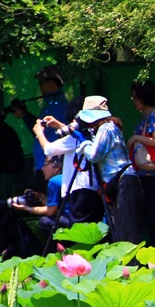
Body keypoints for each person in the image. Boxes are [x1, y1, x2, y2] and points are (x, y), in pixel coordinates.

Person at [74, 96, 144, 244]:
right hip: (119, 183)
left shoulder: (107, 128)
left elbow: (94, 155)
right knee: (120, 230)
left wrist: (84, 143)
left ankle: (133, 266)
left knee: (129, 233)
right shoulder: (103, 129)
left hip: (125, 181)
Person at [32, 97, 105, 234]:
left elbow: (49, 150)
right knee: (93, 232)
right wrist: (58, 125)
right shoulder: (94, 133)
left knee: (80, 234)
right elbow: (74, 133)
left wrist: (39, 132)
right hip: (95, 189)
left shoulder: (75, 138)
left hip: (80, 191)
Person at [10, 65, 68, 187]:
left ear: (52, 83)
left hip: (49, 166)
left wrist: (25, 115)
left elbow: (39, 130)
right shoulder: (52, 104)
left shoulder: (56, 106)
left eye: (42, 82)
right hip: (46, 164)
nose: (39, 86)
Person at [126, 80, 155, 244]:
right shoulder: (146, 116)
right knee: (145, 211)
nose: (133, 101)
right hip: (142, 171)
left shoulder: (153, 116)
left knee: (150, 211)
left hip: (149, 171)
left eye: (135, 97)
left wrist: (135, 138)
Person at [9, 155, 63, 233]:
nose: (42, 169)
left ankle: (59, 244)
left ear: (57, 168)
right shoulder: (65, 178)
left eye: (45, 165)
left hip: (69, 220)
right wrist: (40, 196)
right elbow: (55, 209)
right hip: (75, 218)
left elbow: (50, 211)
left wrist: (26, 208)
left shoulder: (54, 182)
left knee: (44, 222)